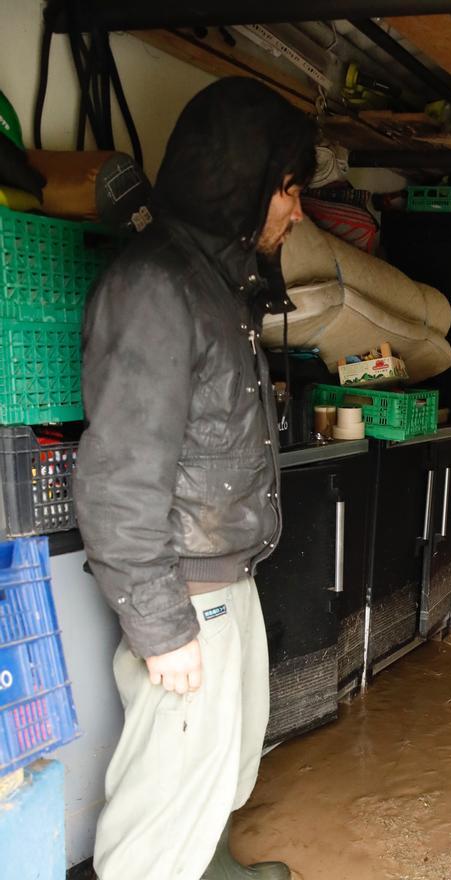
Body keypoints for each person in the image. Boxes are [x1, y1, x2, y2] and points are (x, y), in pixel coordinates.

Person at [74, 77, 317, 880]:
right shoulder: (156, 286)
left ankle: (208, 866)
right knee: (165, 789)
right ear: (240, 179)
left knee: (222, 761)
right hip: (181, 587)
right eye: (289, 189)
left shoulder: (220, 283)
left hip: (224, 575)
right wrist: (160, 624)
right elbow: (117, 479)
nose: (298, 210)